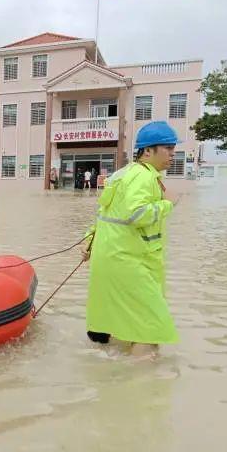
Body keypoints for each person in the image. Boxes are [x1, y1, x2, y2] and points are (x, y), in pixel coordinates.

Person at [83, 121, 180, 356]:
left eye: (173, 149)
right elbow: (136, 214)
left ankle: (110, 378)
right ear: (148, 151)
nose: (172, 154)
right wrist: (168, 204)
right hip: (128, 259)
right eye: (167, 148)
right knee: (150, 329)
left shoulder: (121, 174)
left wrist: (90, 243)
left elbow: (106, 213)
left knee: (124, 319)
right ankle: (136, 386)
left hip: (110, 255)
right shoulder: (144, 177)